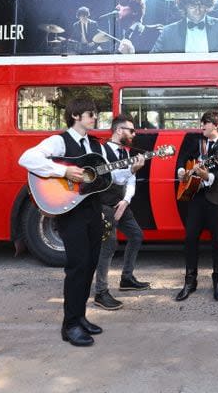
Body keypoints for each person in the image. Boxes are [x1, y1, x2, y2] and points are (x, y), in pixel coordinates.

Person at [17, 98, 106, 347]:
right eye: (91, 113)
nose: (95, 117)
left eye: (95, 114)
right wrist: (63, 171)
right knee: (77, 266)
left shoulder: (93, 145)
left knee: (90, 265)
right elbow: (27, 158)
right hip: (71, 212)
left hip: (92, 209)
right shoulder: (58, 141)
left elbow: (111, 174)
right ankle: (70, 326)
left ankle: (81, 317)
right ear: (76, 115)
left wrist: (132, 168)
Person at [174, 111, 218, 302]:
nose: (202, 125)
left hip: (217, 200)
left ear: (216, 125)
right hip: (195, 197)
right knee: (190, 239)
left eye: (206, 122)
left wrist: (206, 176)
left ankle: (217, 281)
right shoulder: (195, 142)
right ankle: (189, 281)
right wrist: (181, 172)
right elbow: (182, 158)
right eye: (202, 122)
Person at [93, 115, 150, 310]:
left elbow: (130, 182)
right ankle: (100, 292)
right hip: (102, 205)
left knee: (136, 236)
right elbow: (111, 177)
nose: (134, 134)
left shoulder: (127, 154)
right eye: (131, 131)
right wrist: (131, 171)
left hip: (120, 203)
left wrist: (126, 201)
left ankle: (126, 279)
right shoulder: (100, 151)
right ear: (119, 130)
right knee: (108, 247)